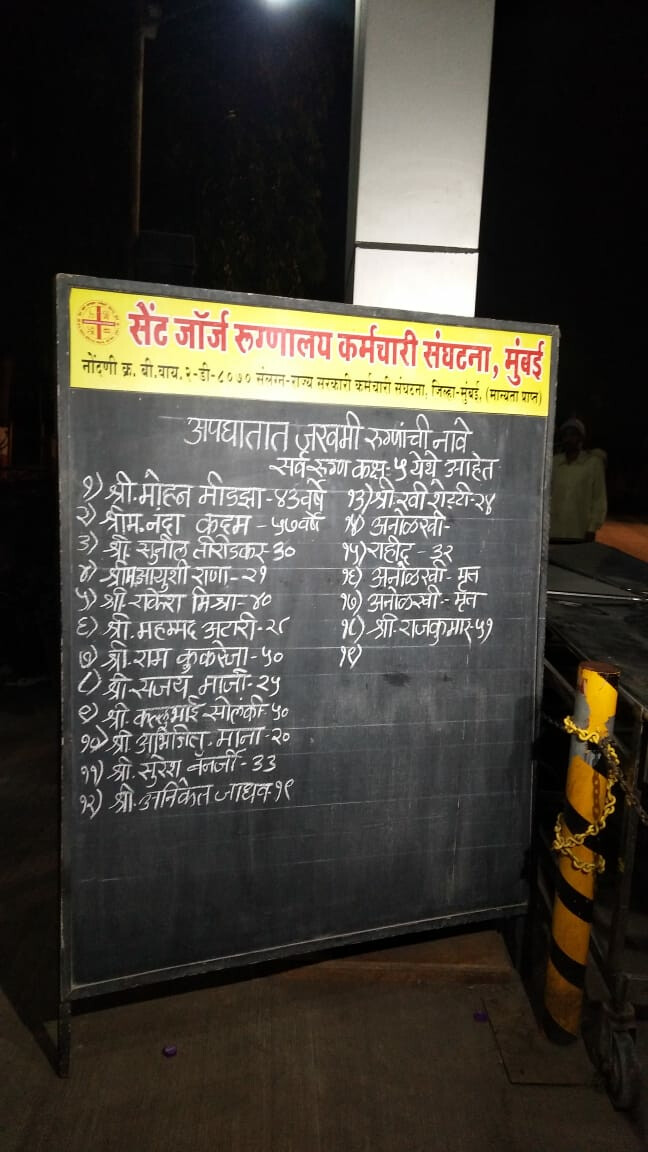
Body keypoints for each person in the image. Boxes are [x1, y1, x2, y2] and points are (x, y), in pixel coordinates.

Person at [550, 417, 607, 542]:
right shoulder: (554, 462)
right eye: (565, 435)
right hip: (554, 530)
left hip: (579, 530)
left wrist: (592, 528)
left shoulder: (593, 463)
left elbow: (599, 499)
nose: (568, 439)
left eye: (573, 435)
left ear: (581, 438)